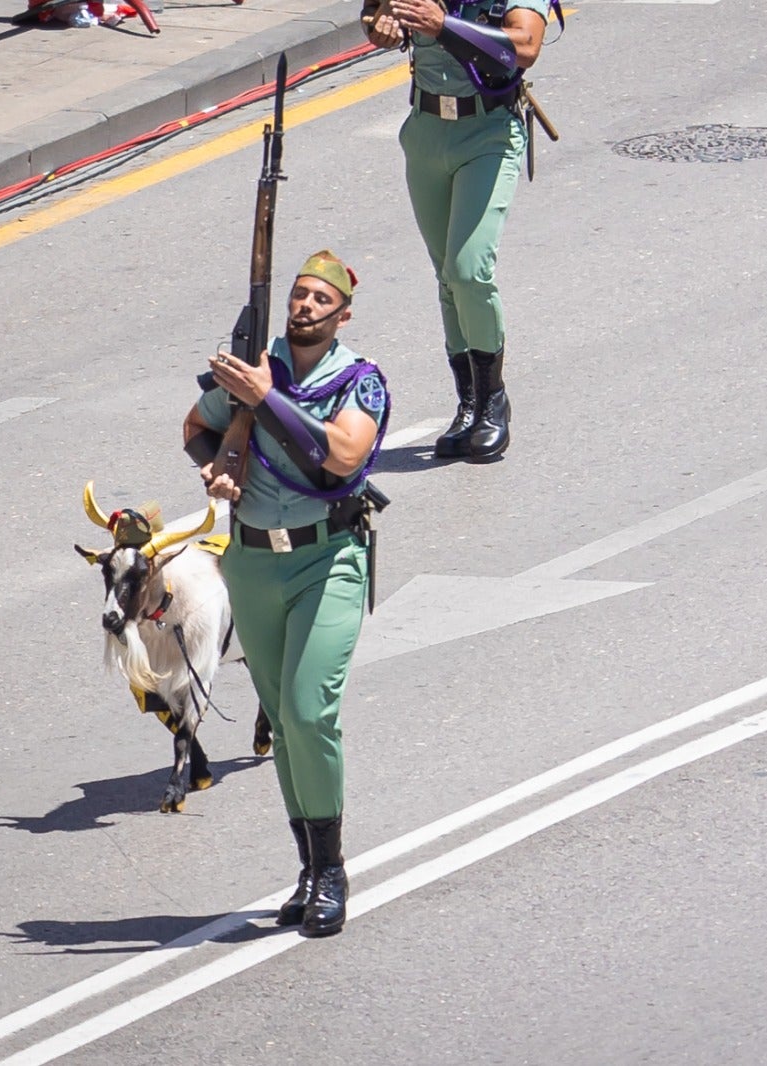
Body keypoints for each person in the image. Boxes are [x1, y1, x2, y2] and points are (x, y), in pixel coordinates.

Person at [182, 250, 390, 938]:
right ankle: (307, 867)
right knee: (280, 715)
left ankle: (332, 872)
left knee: (307, 713)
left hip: (325, 559)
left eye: (318, 300)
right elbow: (194, 426)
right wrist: (218, 463)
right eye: (298, 296)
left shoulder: (357, 380)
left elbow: (341, 456)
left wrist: (264, 398)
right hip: (249, 563)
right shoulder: (252, 369)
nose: (303, 306)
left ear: (342, 317)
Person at [362, 0, 552, 462]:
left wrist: (443, 26)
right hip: (427, 130)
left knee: (469, 270)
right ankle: (467, 403)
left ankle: (493, 401)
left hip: (488, 131)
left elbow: (525, 45)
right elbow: (374, 15)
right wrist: (381, 28)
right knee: (447, 277)